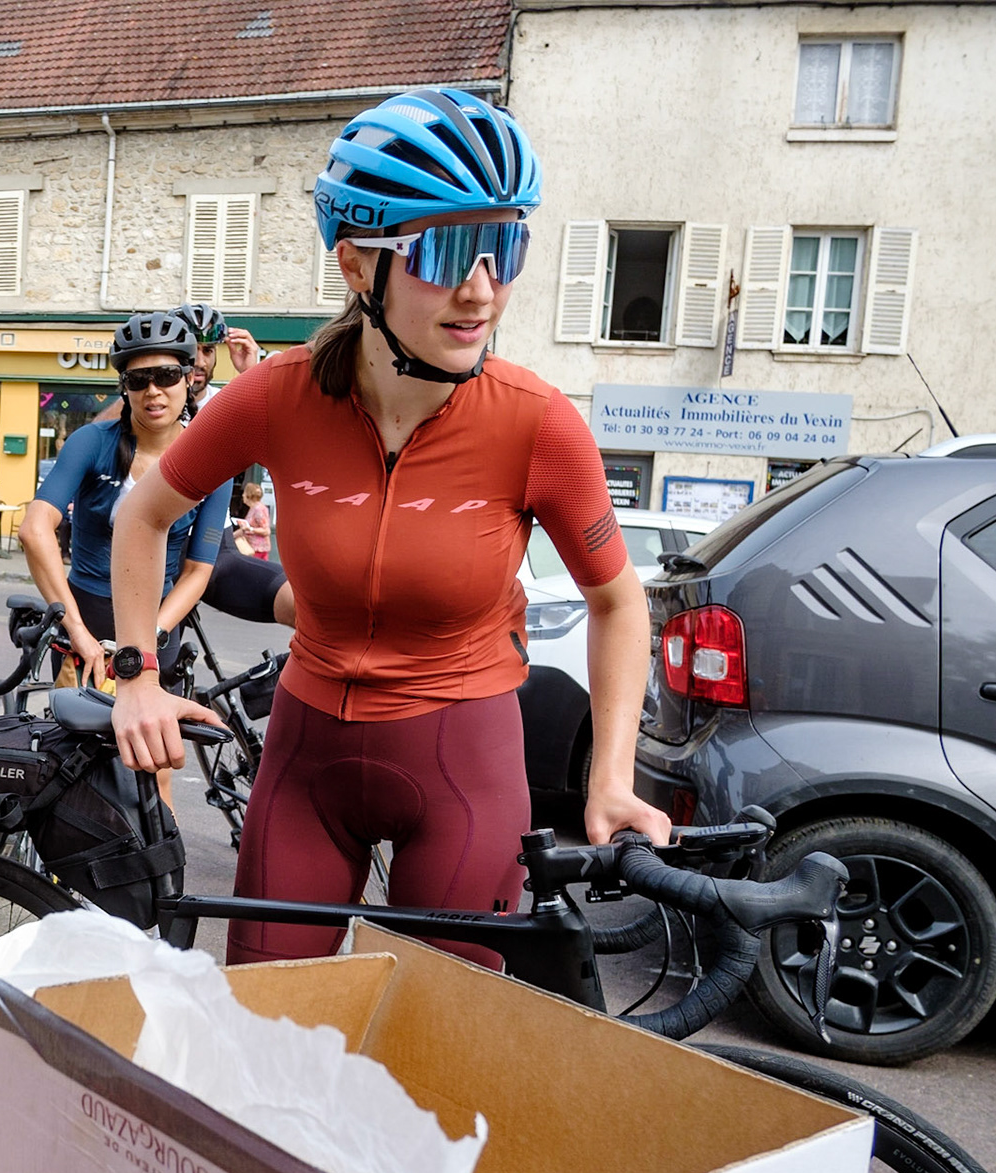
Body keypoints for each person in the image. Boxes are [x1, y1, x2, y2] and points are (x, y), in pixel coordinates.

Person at [109, 88, 672, 968]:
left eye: (505, 247)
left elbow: (618, 603)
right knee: (261, 1032)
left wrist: (610, 778)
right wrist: (135, 675)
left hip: (462, 763)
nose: (482, 290)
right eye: (447, 250)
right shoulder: (279, 396)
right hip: (308, 758)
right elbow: (143, 517)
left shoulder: (536, 423)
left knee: (431, 1059)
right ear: (357, 265)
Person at [19, 312, 231, 699]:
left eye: (166, 376)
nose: (153, 390)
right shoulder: (90, 442)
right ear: (125, 388)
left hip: (159, 622)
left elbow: (198, 570)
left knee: (153, 751)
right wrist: (78, 632)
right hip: (86, 613)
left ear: (189, 378)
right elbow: (35, 530)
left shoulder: (212, 459)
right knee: (78, 751)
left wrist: (148, 636)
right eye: (138, 380)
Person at [168, 302, 263, 406]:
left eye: (207, 350)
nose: (200, 363)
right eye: (191, 351)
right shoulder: (153, 407)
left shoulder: (226, 405)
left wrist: (248, 373)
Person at [233, 481, 271, 559]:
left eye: (244, 493)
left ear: (249, 495)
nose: (243, 495)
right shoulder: (253, 508)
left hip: (258, 549)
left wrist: (250, 529)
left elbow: (266, 531)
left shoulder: (259, 509)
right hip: (251, 547)